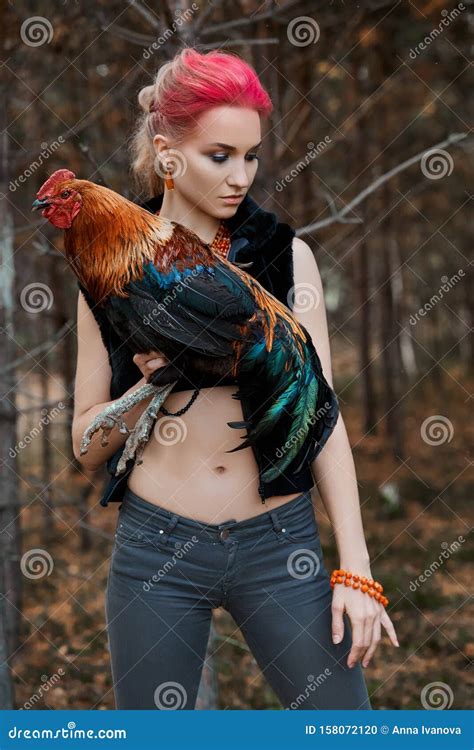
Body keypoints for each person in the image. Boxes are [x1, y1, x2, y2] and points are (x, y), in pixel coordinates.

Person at [72, 47, 398, 710]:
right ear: (167, 153)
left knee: (345, 731)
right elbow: (85, 442)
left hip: (280, 548)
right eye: (220, 155)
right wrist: (146, 389)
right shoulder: (107, 270)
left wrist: (355, 567)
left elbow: (322, 416)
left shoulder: (284, 256)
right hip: (155, 549)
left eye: (251, 156)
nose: (241, 175)